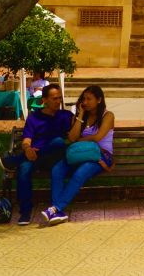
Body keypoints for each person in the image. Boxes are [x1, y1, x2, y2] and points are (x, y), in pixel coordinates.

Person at [0, 83, 73, 226]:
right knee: (24, 169)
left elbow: (73, 137)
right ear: (44, 100)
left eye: (59, 98)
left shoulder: (65, 116)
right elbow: (26, 141)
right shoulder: (34, 118)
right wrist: (27, 149)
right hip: (34, 156)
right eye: (54, 99)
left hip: (55, 158)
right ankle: (25, 212)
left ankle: (14, 161)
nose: (58, 101)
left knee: (58, 142)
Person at [42, 85, 115, 225]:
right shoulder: (80, 116)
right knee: (57, 169)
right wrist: (80, 116)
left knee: (81, 173)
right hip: (80, 154)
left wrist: (78, 140)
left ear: (99, 100)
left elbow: (98, 137)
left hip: (100, 156)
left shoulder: (108, 115)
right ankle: (58, 212)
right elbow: (72, 137)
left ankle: (55, 208)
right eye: (83, 99)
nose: (85, 102)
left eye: (89, 99)